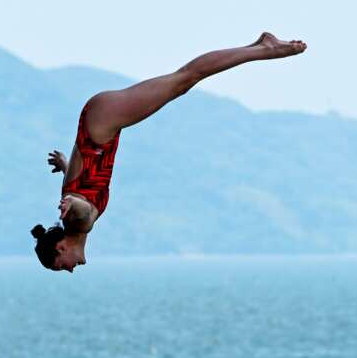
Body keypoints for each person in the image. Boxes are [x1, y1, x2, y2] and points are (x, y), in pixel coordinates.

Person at [31, 32, 307, 272]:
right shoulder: (76, 218)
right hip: (99, 122)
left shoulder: (79, 222)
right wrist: (66, 166)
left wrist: (71, 204)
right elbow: (81, 189)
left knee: (184, 79)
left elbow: (80, 208)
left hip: (104, 125)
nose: (69, 270)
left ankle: (265, 49)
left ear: (61, 248)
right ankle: (256, 46)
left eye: (61, 266)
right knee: (183, 81)